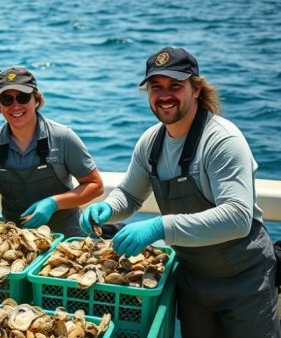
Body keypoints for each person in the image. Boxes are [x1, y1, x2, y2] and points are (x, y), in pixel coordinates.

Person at [80, 47, 280, 337]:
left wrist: (160, 226)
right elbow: (130, 195)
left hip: (245, 281)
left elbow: (237, 217)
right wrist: (108, 208)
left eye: (175, 85)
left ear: (196, 89)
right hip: (192, 278)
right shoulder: (151, 142)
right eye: (155, 87)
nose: (165, 95)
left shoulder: (222, 140)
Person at [0, 66, 103, 237]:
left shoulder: (63, 137)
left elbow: (95, 185)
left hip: (66, 236)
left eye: (23, 97)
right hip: (14, 238)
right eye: (6, 99)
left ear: (36, 99)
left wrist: (54, 203)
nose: (15, 106)